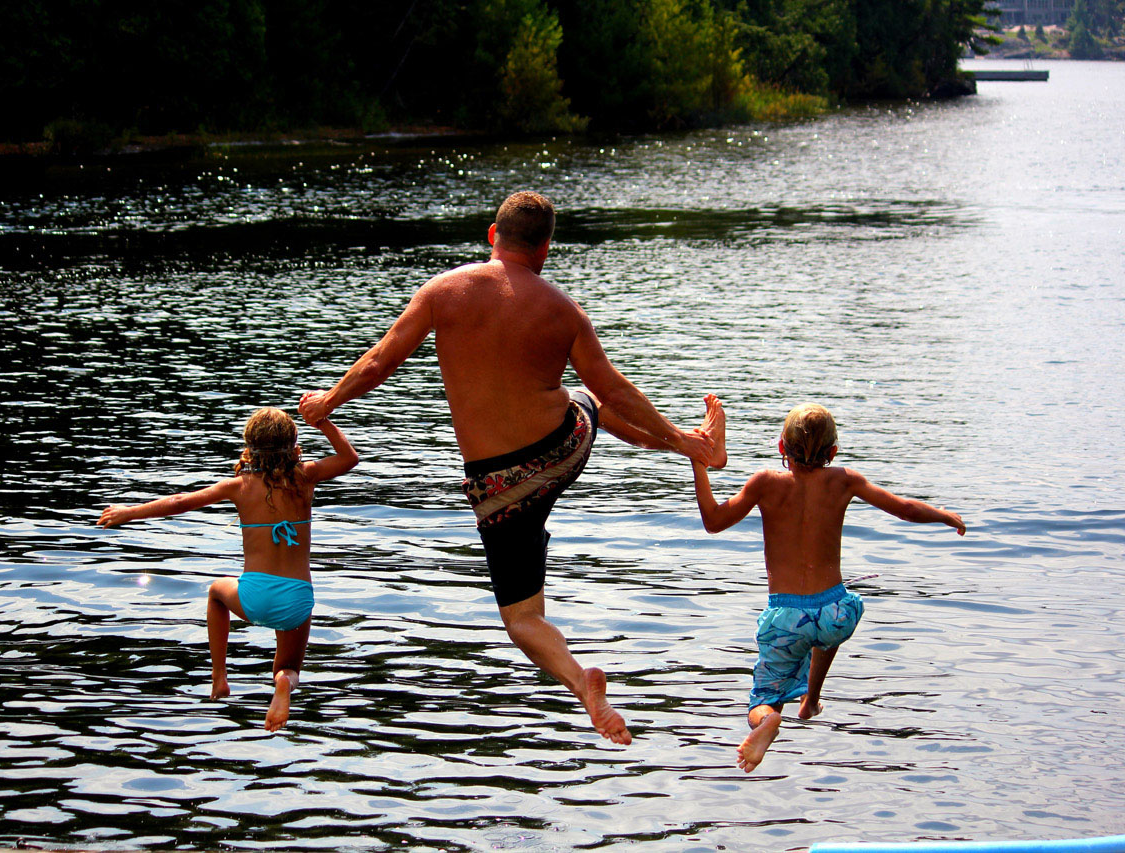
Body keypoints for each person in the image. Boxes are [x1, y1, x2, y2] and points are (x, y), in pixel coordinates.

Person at [298, 191, 721, 745]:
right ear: (545, 248)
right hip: (560, 452)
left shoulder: (444, 291)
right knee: (586, 400)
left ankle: (577, 679)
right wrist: (673, 436)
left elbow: (382, 359)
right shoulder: (564, 311)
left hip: (496, 488)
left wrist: (327, 404)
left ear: (493, 235)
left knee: (522, 619)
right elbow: (611, 386)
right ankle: (692, 446)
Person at [689, 398, 965, 772]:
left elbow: (714, 521)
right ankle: (811, 699)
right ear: (834, 451)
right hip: (834, 611)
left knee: (764, 698)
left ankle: (768, 720)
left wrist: (697, 462)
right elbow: (903, 508)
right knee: (833, 621)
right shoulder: (844, 480)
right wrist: (944, 515)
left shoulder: (765, 483)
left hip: (786, 616)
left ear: (781, 447)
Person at [98, 407, 359, 732]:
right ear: (294, 447)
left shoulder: (239, 486)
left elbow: (180, 501)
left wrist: (129, 512)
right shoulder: (305, 477)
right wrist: (322, 421)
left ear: (249, 450)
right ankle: (282, 686)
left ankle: (220, 677)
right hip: (297, 600)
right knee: (289, 667)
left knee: (216, 593)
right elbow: (350, 458)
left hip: (253, 598)